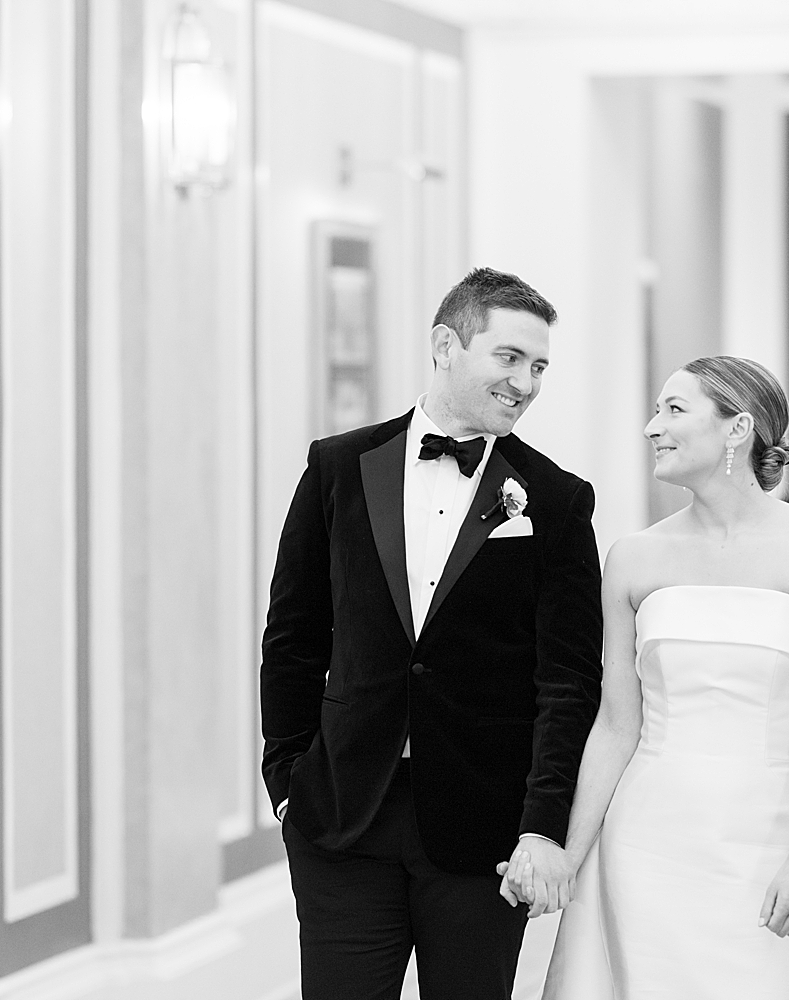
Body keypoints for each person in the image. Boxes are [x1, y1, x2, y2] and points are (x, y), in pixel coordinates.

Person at [526, 357, 789, 998]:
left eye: (674, 410)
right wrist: (571, 855)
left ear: (738, 428)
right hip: (643, 845)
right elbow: (615, 723)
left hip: (767, 841)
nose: (653, 426)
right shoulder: (632, 558)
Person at [261, 267, 604, 1000]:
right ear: (446, 345)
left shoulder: (556, 500)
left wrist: (541, 826)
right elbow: (293, 636)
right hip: (343, 819)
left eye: (539, 366)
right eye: (508, 358)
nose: (526, 383)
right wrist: (286, 780)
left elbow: (568, 682)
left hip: (484, 833)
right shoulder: (338, 467)